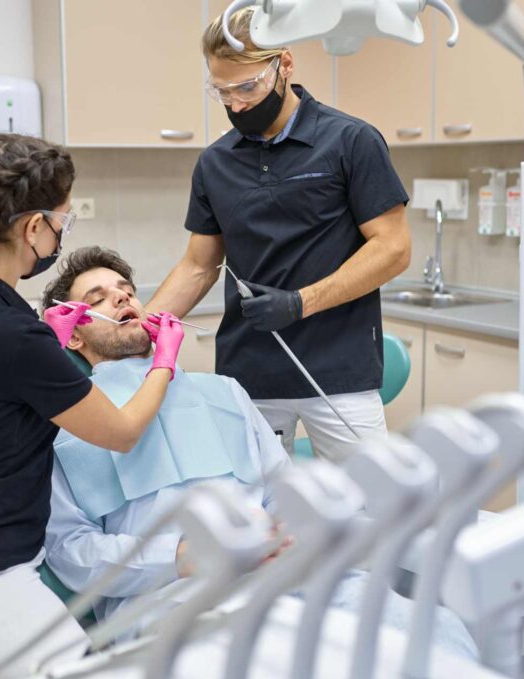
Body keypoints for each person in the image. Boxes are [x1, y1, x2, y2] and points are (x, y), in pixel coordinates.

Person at [40, 247, 478, 660]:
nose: (121, 297)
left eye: (127, 291)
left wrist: (288, 532)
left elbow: (281, 490)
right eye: (99, 298)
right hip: (174, 600)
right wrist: (180, 556)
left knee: (430, 628)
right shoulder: (63, 427)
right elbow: (71, 552)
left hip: (284, 573)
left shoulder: (223, 393)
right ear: (74, 334)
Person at [0, 134, 184, 679]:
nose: (60, 236)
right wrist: (164, 361)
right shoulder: (14, 335)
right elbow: (120, 431)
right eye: (62, 224)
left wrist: (44, 343)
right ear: (33, 227)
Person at [148, 8, 413, 463]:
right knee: (261, 514)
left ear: (284, 65)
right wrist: (144, 324)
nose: (236, 105)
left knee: (366, 505)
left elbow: (393, 249)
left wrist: (299, 303)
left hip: (339, 369)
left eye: (246, 87)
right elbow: (199, 265)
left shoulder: (351, 141)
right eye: (222, 92)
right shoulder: (215, 163)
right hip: (250, 370)